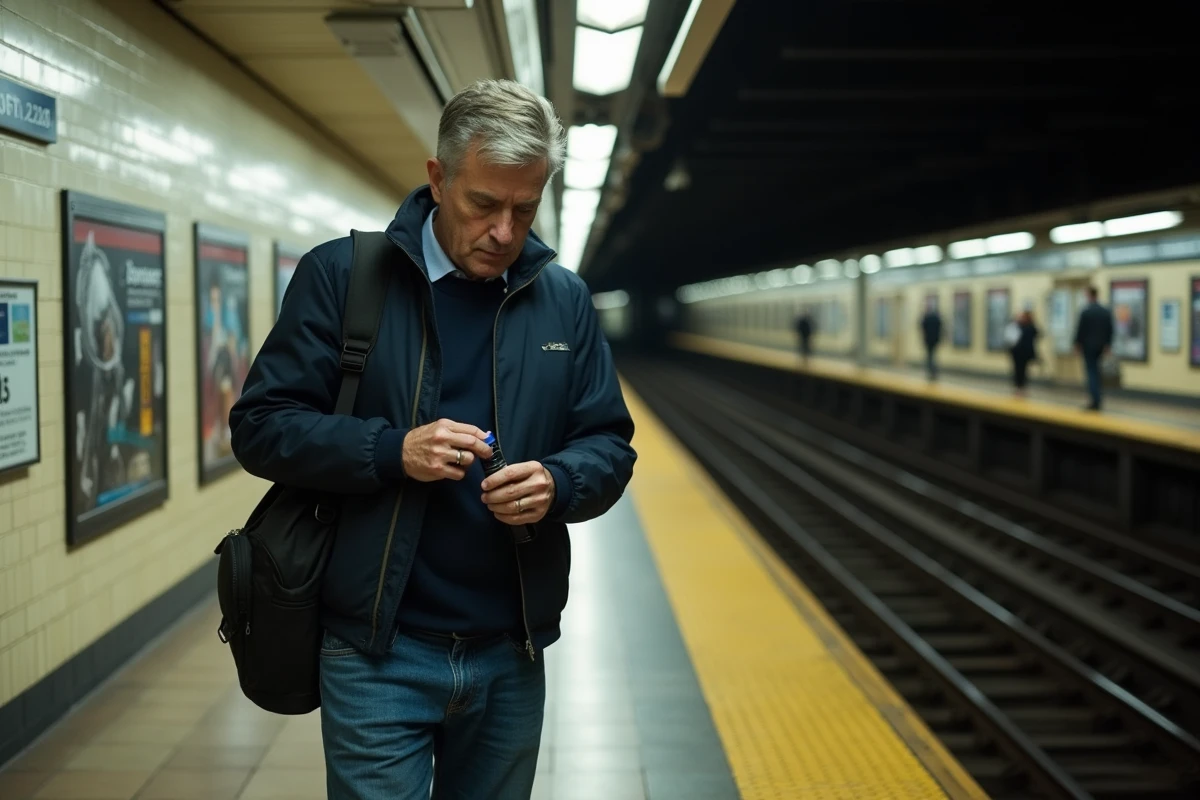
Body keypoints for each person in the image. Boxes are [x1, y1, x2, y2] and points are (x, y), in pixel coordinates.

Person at [229, 79, 637, 800]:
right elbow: (262, 427)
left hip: (511, 650)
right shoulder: (345, 277)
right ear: (438, 177)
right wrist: (392, 451)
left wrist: (561, 483)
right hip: (376, 649)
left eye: (525, 207)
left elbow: (607, 441)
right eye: (484, 204)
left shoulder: (564, 299)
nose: (505, 232)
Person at [1073, 286, 1114, 410]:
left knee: (1091, 372)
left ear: (1089, 295)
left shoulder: (1086, 312)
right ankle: (1098, 397)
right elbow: (1110, 330)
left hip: (1088, 346)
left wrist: (1077, 344)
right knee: (1097, 372)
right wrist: (1108, 344)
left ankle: (1094, 400)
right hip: (1101, 346)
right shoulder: (1105, 311)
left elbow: (1080, 330)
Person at [1008, 309, 1039, 396]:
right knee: (1018, 370)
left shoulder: (1030, 327)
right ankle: (1018, 387)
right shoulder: (1017, 326)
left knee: (1024, 370)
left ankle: (1022, 387)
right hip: (1017, 352)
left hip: (1025, 353)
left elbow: (1037, 333)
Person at [919, 303, 943, 381]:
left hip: (928, 340)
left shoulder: (926, 317)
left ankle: (931, 372)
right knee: (933, 356)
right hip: (935, 340)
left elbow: (922, 326)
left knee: (929, 356)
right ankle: (934, 371)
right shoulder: (937, 317)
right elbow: (941, 327)